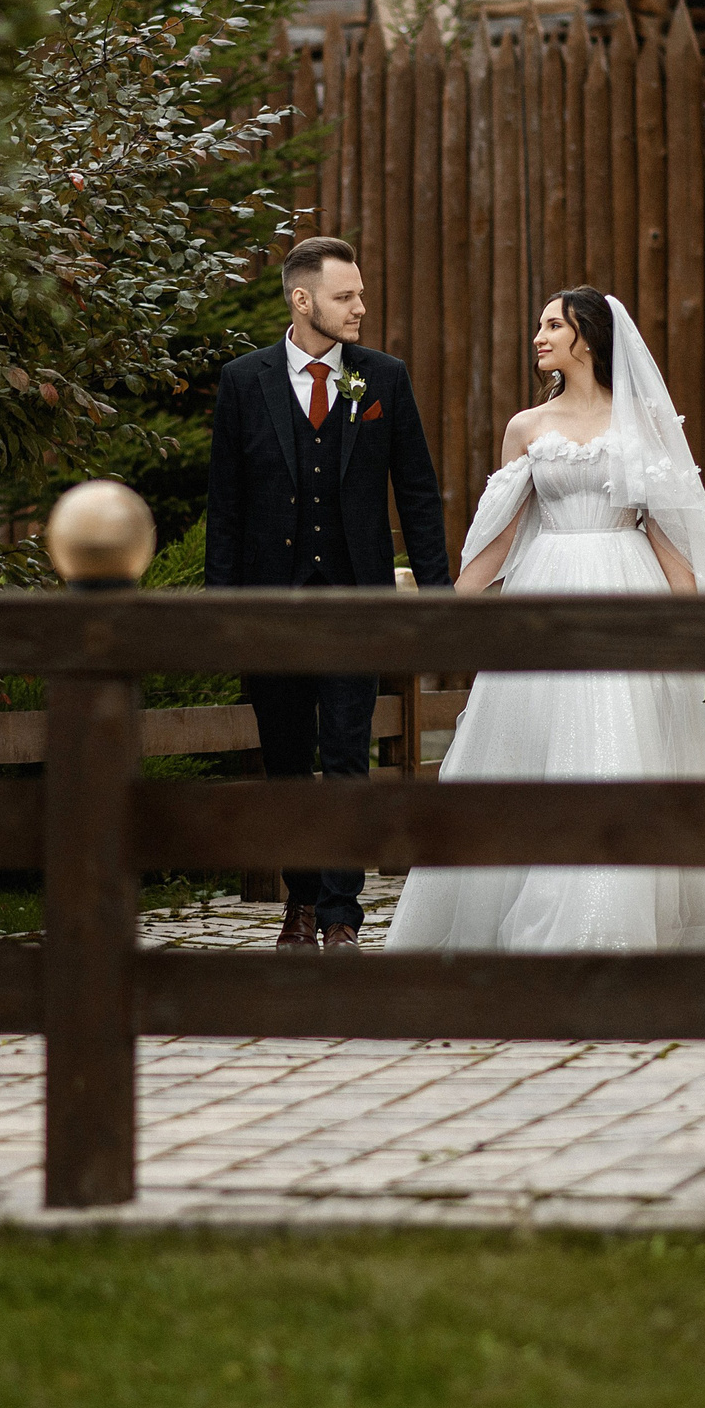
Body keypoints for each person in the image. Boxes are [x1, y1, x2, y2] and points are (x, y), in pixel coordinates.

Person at [384, 288, 705, 952]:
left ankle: (609, 916)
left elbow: (669, 534)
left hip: (626, 589)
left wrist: (704, 627)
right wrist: (444, 614)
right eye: (539, 324)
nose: (538, 335)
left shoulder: (642, 421)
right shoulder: (526, 427)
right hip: (544, 594)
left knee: (618, 743)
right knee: (540, 748)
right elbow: (498, 538)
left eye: (552, 323)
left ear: (586, 336)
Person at [205, 236, 453, 950]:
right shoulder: (243, 382)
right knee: (287, 761)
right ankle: (300, 903)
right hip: (270, 607)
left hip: (356, 602)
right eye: (346, 296)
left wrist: (437, 599)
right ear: (302, 299)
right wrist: (221, 613)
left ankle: (342, 913)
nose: (361, 309)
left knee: (347, 757)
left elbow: (417, 496)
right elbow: (225, 507)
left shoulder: (385, 379)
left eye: (362, 294)